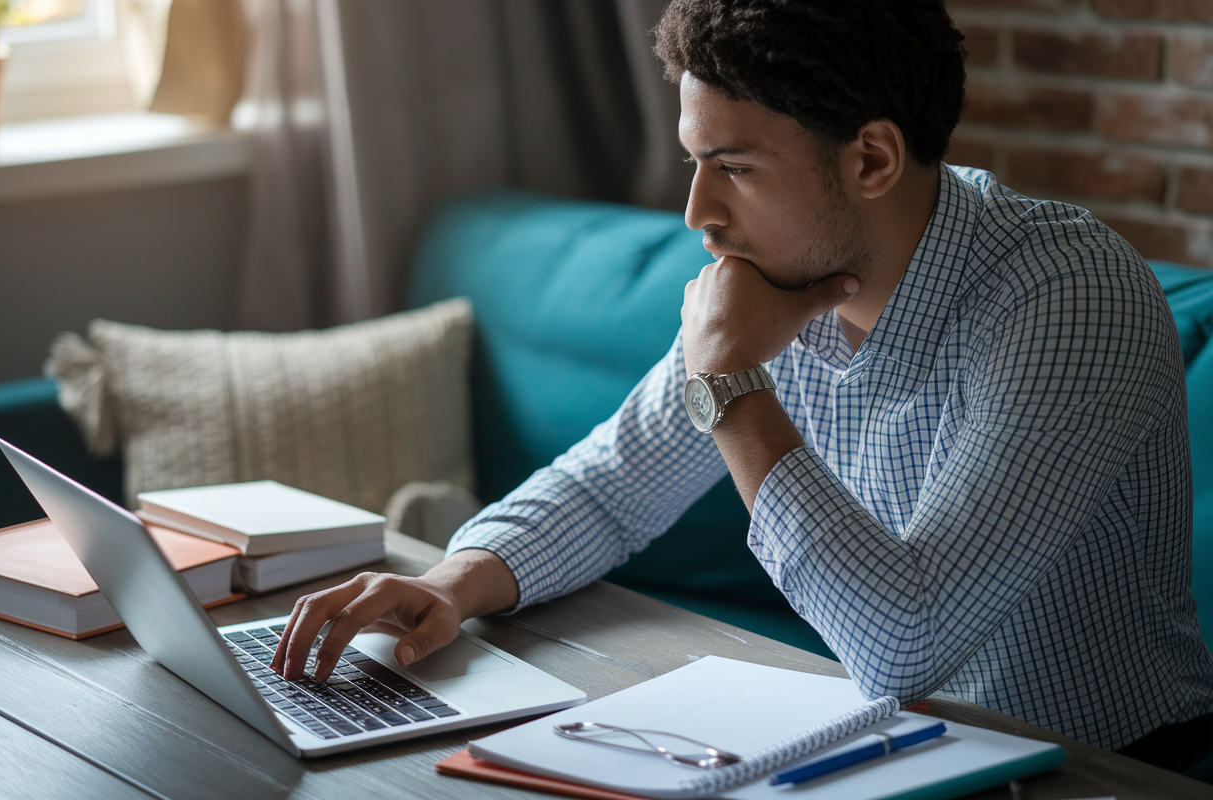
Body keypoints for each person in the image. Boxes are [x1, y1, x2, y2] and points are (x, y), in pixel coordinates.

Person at [273, 0, 1213, 771]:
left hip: (1106, 768)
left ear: (873, 158)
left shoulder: (1067, 298)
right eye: (694, 160)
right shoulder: (782, 277)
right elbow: (610, 484)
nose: (697, 213)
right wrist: (449, 581)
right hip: (903, 751)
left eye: (733, 168)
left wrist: (727, 382)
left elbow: (906, 641)